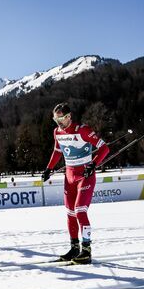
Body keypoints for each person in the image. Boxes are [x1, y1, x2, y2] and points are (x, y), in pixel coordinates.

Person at [41, 103, 110, 264]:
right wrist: (48, 169)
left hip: (84, 176)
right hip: (69, 176)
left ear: (69, 116)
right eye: (55, 118)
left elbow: (104, 148)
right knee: (70, 214)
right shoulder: (57, 132)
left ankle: (86, 251)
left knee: (80, 211)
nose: (58, 122)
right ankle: (74, 248)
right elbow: (57, 152)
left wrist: (93, 165)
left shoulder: (82, 130)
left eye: (61, 118)